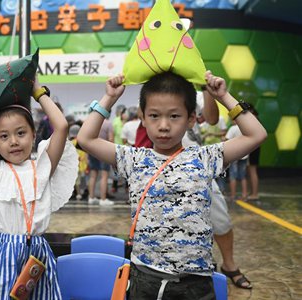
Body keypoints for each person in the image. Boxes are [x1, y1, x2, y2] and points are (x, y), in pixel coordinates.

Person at [77, 71, 266, 299]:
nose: (164, 125)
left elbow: (257, 134)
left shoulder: (205, 157)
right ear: (143, 118)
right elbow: (85, 139)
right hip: (145, 279)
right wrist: (109, 98)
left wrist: (224, 96)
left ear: (191, 119)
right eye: (154, 116)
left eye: (174, 116)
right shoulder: (133, 159)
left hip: (195, 283)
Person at [0, 71, 77, 299]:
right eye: (3, 136)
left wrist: (37, 91)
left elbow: (61, 126)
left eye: (21, 133)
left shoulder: (42, 167)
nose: (13, 141)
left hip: (37, 257)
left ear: (33, 134)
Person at [87, 119, 115, 206]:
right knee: (104, 176)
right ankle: (103, 199)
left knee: (93, 175)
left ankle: (91, 197)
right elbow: (110, 139)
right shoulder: (108, 123)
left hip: (92, 150)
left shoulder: (90, 122)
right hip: (103, 150)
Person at [226, 119, 249, 200]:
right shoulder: (246, 128)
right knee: (243, 176)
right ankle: (244, 194)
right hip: (245, 154)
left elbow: (227, 140)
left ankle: (233, 195)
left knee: (233, 176)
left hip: (234, 154)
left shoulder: (233, 128)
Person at [247, 105, 260, 200]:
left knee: (252, 170)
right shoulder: (255, 119)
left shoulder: (253, 119)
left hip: (253, 148)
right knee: (250, 170)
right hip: (253, 147)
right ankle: (252, 192)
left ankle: (255, 193)